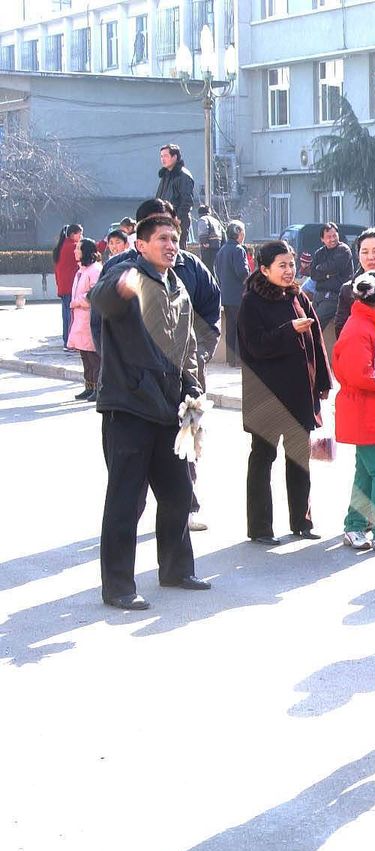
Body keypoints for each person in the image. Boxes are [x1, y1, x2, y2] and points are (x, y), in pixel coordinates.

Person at [88, 212, 209, 610]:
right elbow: (101, 301)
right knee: (127, 499)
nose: (171, 245)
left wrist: (194, 396)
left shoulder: (179, 287)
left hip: (170, 407)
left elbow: (189, 348)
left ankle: (176, 568)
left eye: (174, 239)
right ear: (140, 244)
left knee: (177, 492)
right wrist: (119, 289)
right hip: (129, 405)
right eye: (162, 239)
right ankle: (118, 586)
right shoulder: (125, 274)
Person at [238, 240, 331, 546]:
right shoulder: (252, 303)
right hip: (265, 395)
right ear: (263, 269)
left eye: (291, 264)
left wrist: (323, 382)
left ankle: (301, 522)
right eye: (282, 265)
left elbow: (316, 339)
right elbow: (255, 346)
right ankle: (260, 527)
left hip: (298, 394)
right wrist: (288, 330)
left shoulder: (298, 296)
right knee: (262, 458)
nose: (289, 271)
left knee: (299, 458)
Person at [331, 270, 375, 552]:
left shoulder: (362, 323)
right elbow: (360, 374)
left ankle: (355, 526)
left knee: (366, 471)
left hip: (369, 411)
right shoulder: (361, 327)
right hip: (369, 413)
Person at [67, 239, 102, 400]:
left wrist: (78, 301)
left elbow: (95, 293)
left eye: (78, 249)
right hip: (80, 319)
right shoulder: (82, 270)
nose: (75, 252)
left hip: (89, 318)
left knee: (93, 356)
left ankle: (98, 388)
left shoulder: (95, 270)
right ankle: (89, 386)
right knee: (85, 356)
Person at [310, 223, 354, 343]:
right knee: (307, 320)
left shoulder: (343, 250)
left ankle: (312, 352)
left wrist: (322, 270)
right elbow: (313, 274)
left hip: (335, 296)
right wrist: (326, 273)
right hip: (319, 294)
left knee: (315, 324)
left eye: (335, 235)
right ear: (322, 239)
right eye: (329, 237)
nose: (332, 239)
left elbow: (334, 267)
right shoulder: (319, 253)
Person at [214, 221, 250, 368]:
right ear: (239, 233)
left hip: (226, 295)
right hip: (238, 295)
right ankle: (239, 359)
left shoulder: (221, 250)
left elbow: (217, 272)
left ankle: (231, 359)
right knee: (241, 327)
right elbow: (243, 272)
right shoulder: (238, 250)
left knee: (230, 327)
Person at [155, 145, 195, 237]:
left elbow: (187, 201)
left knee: (177, 249)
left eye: (166, 156)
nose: (162, 159)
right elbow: (159, 199)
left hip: (176, 221)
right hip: (163, 220)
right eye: (161, 156)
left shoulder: (183, 176)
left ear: (175, 157)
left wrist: (178, 219)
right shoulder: (165, 175)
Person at [52, 224, 83, 344]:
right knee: (71, 316)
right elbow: (91, 250)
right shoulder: (73, 247)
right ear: (72, 234)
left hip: (63, 286)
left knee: (65, 316)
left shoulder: (61, 246)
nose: (81, 236)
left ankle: (66, 341)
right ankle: (70, 342)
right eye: (80, 233)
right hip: (71, 286)